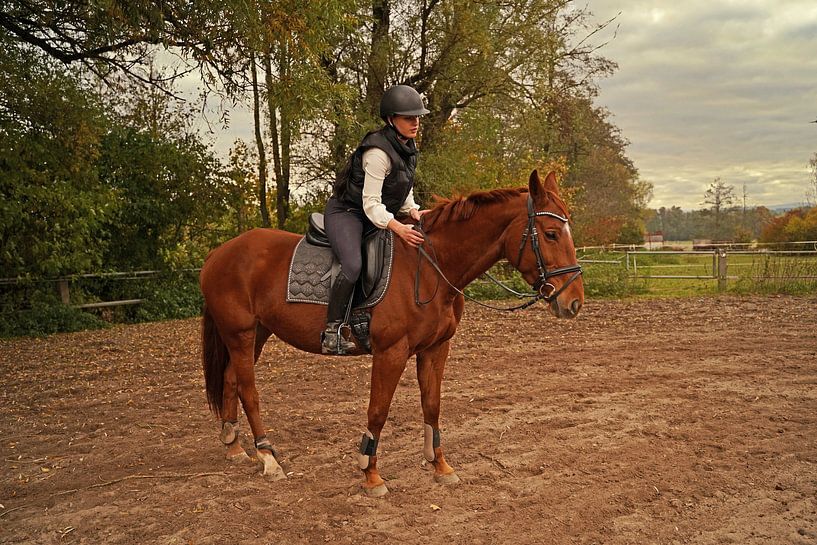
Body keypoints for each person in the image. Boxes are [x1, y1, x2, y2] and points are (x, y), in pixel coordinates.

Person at [321, 85, 430, 354]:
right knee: (353, 264)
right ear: (391, 120)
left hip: (377, 213)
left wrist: (413, 210)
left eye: (417, 117)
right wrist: (397, 226)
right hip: (348, 212)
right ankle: (332, 330)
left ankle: (364, 315)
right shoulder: (377, 152)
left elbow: (403, 190)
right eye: (408, 117)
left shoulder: (407, 146)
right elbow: (370, 203)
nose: (415, 122)